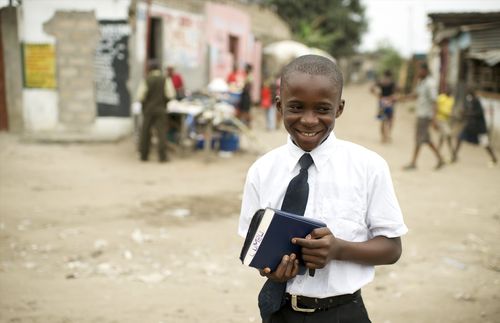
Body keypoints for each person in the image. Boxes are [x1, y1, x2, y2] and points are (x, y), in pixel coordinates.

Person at [238, 55, 407, 323]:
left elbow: (392, 248)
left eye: (322, 109)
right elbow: (254, 246)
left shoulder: (368, 167)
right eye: (296, 107)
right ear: (279, 106)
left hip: (343, 313)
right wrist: (271, 270)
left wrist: (339, 249)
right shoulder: (262, 170)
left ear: (338, 109)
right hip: (280, 312)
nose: (308, 120)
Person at [403, 63, 445, 170]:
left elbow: (434, 101)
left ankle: (413, 163)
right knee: (425, 139)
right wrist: (400, 98)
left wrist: (434, 119)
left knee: (419, 139)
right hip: (421, 115)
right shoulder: (421, 82)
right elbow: (415, 95)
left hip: (425, 116)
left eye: (420, 71)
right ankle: (440, 159)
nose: (418, 73)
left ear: (425, 71)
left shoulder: (430, 84)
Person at [136, 60, 175, 162]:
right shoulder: (164, 79)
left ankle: (144, 155)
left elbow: (140, 96)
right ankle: (162, 157)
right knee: (161, 133)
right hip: (161, 109)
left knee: (145, 132)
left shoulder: (146, 79)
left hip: (148, 109)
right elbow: (170, 95)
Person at [452, 87, 497, 165]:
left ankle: (494, 158)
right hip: (471, 127)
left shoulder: (476, 101)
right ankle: (455, 156)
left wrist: (467, 114)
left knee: (485, 143)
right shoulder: (470, 102)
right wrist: (464, 114)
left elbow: (478, 113)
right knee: (459, 138)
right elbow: (468, 111)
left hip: (479, 128)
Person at [370, 70, 398, 143]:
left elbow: (371, 88)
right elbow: (396, 92)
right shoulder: (392, 83)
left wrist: (377, 96)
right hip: (389, 102)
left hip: (382, 101)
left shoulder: (381, 82)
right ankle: (388, 134)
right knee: (390, 119)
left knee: (382, 120)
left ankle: (383, 137)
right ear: (390, 75)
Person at [435, 87, 455, 159]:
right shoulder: (441, 97)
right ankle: (452, 152)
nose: (448, 91)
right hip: (440, 119)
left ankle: (437, 151)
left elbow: (451, 109)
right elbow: (436, 107)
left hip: (447, 121)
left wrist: (451, 115)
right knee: (448, 134)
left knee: (442, 137)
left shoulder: (451, 99)